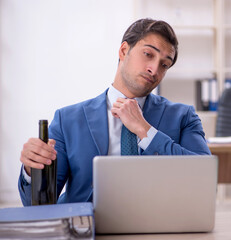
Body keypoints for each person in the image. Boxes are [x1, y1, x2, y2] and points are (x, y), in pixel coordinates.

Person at [18, 18, 211, 206]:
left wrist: (145, 131)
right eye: (148, 54)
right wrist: (31, 168)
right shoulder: (68, 119)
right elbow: (38, 205)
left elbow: (205, 177)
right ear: (124, 50)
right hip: (90, 229)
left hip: (157, 227)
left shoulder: (183, 116)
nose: (154, 69)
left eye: (164, 64)